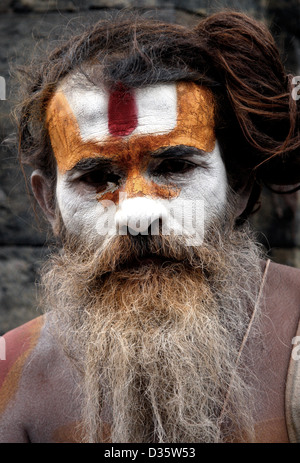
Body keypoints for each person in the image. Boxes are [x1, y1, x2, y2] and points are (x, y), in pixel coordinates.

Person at [0, 10, 299, 443]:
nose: (137, 215)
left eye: (175, 166)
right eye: (98, 178)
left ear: (238, 185)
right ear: (49, 203)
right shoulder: (12, 375)